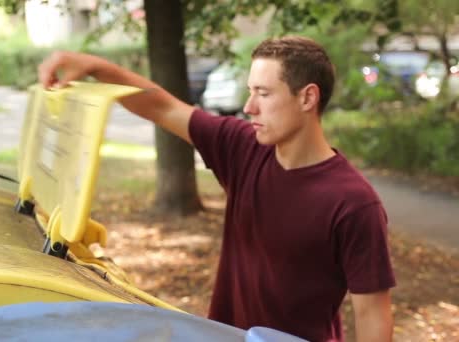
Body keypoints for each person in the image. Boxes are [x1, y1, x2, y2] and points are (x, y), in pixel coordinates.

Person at [38, 36, 396, 342]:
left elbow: (372, 316)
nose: (248, 106)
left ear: (307, 98)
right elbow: (162, 107)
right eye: (249, 91)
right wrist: (98, 68)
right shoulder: (242, 148)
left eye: (264, 93)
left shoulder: (353, 203)